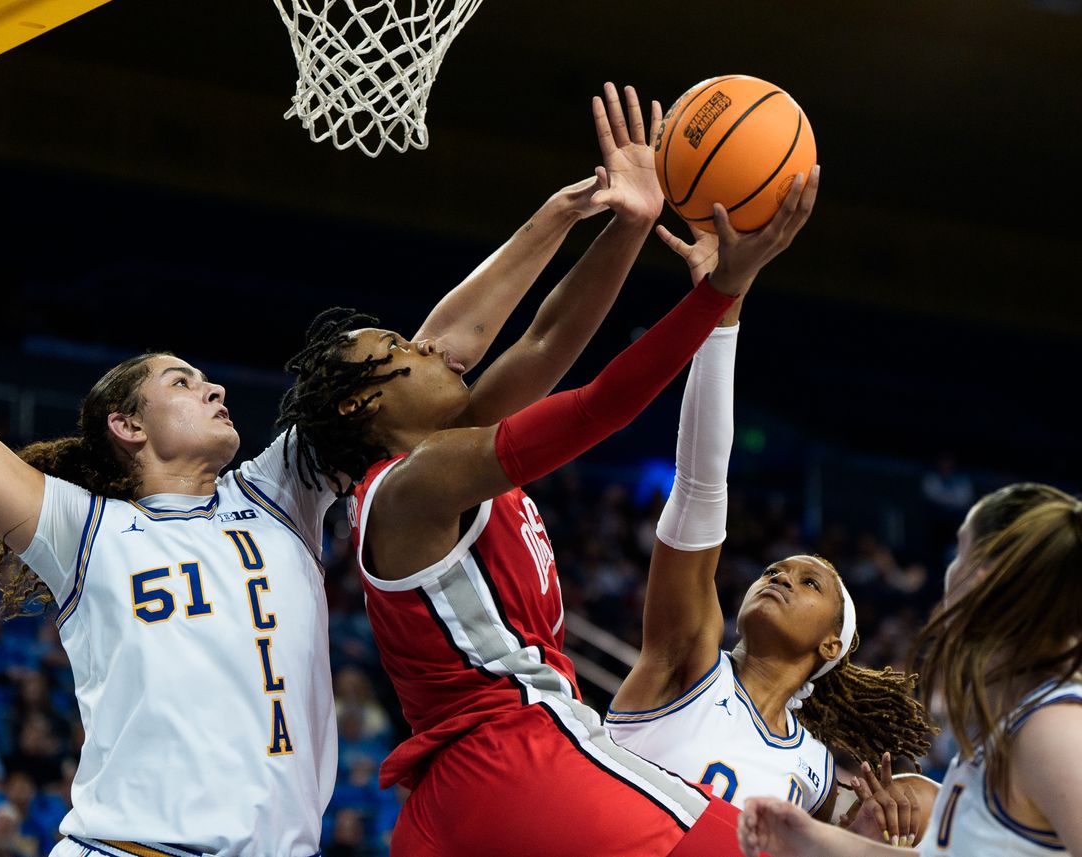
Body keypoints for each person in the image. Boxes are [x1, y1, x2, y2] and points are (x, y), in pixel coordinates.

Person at [0, 82, 701, 855]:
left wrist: (564, 217)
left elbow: (425, 362)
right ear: (125, 425)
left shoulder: (276, 494)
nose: (213, 385)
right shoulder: (82, 528)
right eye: (180, 380)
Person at [281, 83, 819, 855]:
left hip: (465, 796)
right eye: (400, 350)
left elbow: (544, 339)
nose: (428, 346)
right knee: (759, 845)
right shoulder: (411, 485)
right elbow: (600, 404)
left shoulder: (445, 458)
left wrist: (629, 223)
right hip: (513, 755)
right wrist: (723, 293)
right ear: (358, 408)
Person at [603, 225, 935, 842]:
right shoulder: (690, 660)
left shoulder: (812, 771)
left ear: (831, 646)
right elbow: (699, 486)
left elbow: (913, 809)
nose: (779, 575)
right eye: (774, 571)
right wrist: (721, 313)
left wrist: (901, 806)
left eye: (808, 582)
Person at [736, 482, 1082, 856]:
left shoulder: (1052, 727)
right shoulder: (1008, 730)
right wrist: (813, 839)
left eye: (957, 554)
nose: (948, 574)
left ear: (980, 580)